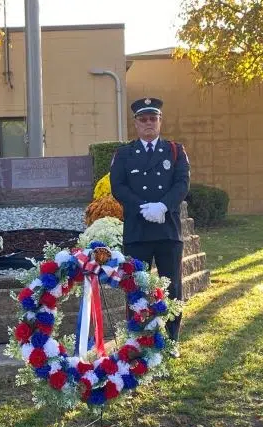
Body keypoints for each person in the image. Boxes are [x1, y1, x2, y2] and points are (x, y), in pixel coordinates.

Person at [109, 97, 190, 358]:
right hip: (138, 231)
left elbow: (182, 183)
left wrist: (163, 206)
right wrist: (143, 207)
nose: (148, 123)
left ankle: (171, 340)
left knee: (171, 287)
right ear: (135, 123)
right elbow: (118, 186)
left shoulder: (175, 151)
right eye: (143, 119)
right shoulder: (124, 154)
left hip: (167, 231)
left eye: (153, 119)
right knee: (136, 288)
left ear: (160, 121)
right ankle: (138, 340)